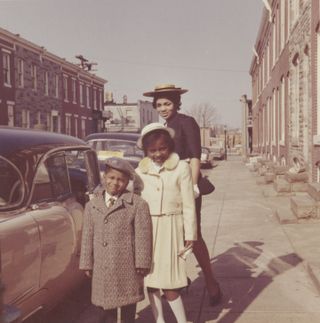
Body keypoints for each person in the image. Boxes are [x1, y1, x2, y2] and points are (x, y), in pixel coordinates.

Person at [143, 84, 222, 306]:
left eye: (167, 103)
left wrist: (194, 186)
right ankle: (179, 278)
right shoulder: (162, 126)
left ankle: (211, 282)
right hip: (168, 185)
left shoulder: (187, 122)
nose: (163, 108)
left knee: (192, 234)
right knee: (171, 233)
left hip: (187, 182)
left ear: (177, 103)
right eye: (159, 105)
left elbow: (195, 156)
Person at [135, 123, 197, 323]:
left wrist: (190, 235)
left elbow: (188, 204)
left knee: (171, 284)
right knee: (151, 281)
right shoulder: (140, 171)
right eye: (152, 150)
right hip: (148, 230)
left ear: (170, 146)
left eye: (163, 148)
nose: (158, 154)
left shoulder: (182, 168)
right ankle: (159, 320)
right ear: (146, 151)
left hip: (172, 228)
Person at [79, 157, 152, 323]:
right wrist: (86, 262)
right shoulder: (92, 206)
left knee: (128, 309)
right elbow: (87, 236)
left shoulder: (137, 204)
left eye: (121, 180)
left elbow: (143, 235)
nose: (115, 183)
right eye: (111, 178)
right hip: (102, 268)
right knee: (105, 311)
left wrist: (142, 262)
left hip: (127, 267)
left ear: (127, 183)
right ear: (104, 178)